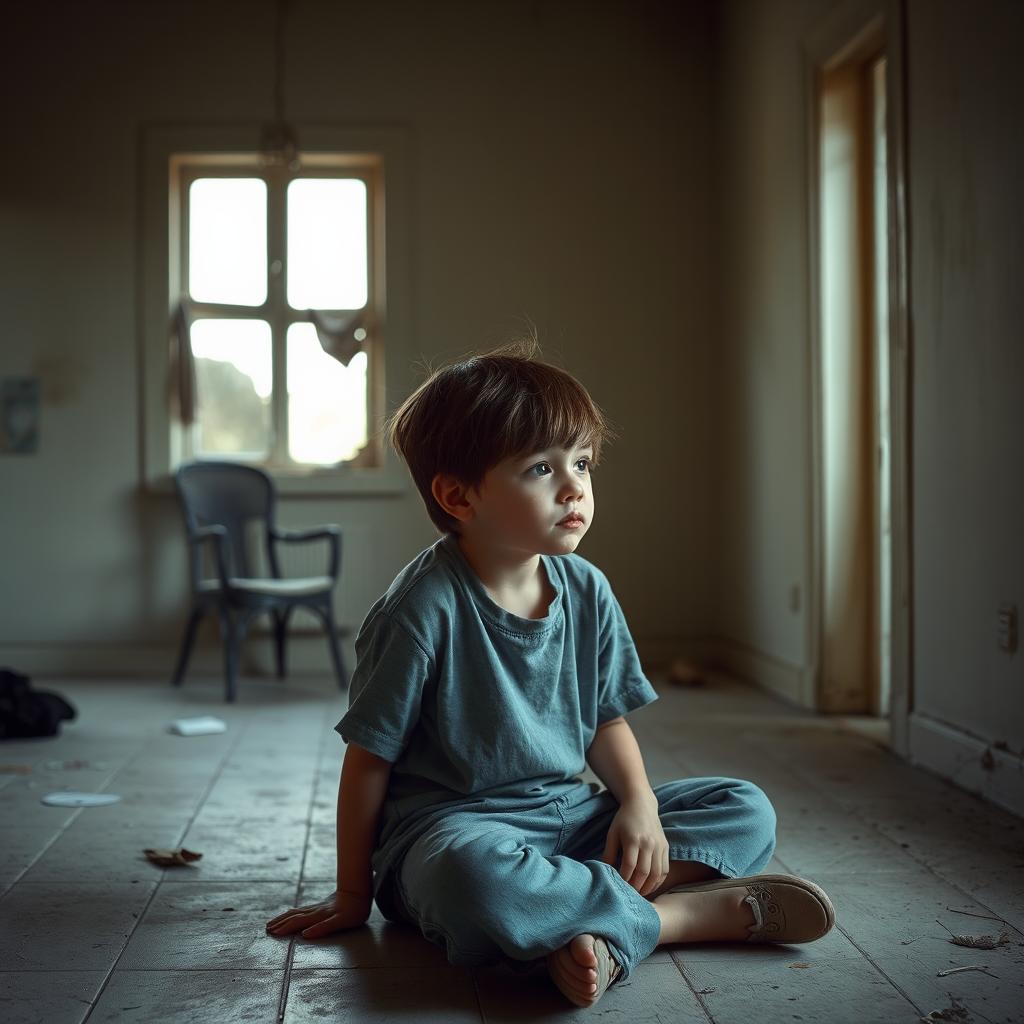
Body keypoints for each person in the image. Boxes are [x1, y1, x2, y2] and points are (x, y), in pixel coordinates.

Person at [266, 340, 835, 1008]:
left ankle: (576, 922)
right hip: (451, 832)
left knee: (745, 809)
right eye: (541, 467)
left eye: (583, 463)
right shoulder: (419, 611)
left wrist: (639, 805)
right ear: (458, 495)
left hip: (568, 816)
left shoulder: (586, 588)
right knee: (472, 885)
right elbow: (367, 762)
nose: (575, 487)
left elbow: (605, 719)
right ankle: (675, 919)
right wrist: (354, 894)